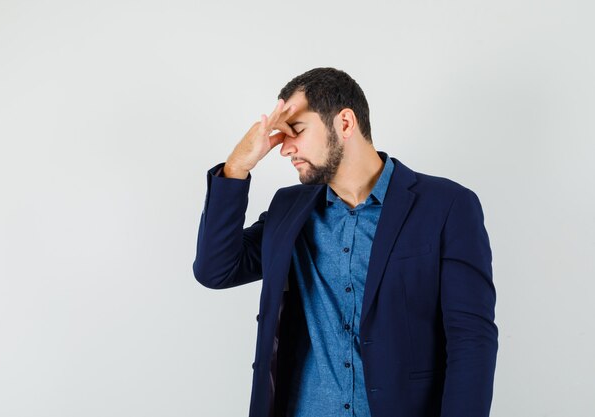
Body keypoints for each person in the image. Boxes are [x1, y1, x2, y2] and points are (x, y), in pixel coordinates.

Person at [193, 67, 498, 417]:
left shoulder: (446, 206)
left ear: (345, 123)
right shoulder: (289, 209)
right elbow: (216, 269)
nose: (284, 148)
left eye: (296, 130)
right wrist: (236, 167)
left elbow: (471, 340)